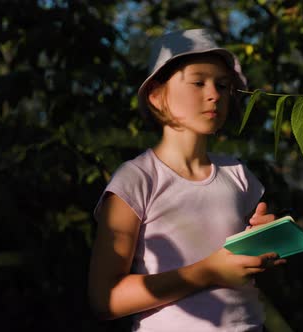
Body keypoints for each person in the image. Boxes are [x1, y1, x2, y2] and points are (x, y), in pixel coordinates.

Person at [88, 28, 286, 331]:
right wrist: (207, 271)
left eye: (222, 85)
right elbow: (105, 299)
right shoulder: (136, 179)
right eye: (198, 82)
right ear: (156, 96)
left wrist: (264, 245)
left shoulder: (239, 175)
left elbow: (248, 277)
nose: (214, 95)